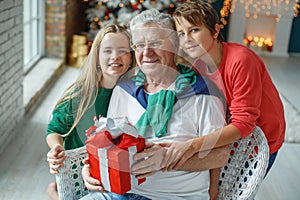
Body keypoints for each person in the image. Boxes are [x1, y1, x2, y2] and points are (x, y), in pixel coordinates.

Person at [81, 8, 229, 200]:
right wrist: (89, 167)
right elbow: (109, 142)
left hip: (174, 196)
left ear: (175, 45)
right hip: (119, 192)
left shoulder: (203, 93)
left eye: (156, 43)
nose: (147, 52)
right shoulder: (124, 90)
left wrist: (168, 159)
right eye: (140, 45)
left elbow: (220, 154)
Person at [168, 0, 286, 175]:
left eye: (194, 30)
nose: (187, 39)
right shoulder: (198, 67)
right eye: (181, 34)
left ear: (215, 30)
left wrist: (193, 146)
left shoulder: (241, 60)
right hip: (230, 138)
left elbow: (244, 123)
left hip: (260, 142)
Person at [45, 24, 133, 200]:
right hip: (79, 172)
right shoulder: (80, 94)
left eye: (123, 50)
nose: (115, 57)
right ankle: (54, 194)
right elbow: (54, 130)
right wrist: (56, 148)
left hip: (114, 169)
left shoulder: (135, 93)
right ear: (97, 56)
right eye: (107, 51)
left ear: (132, 57)